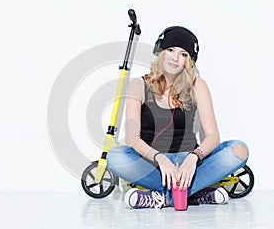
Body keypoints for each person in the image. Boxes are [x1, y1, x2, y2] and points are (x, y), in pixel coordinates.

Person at [106, 26, 249, 209]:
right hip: (153, 164)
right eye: (170, 50)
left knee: (239, 150)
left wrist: (193, 158)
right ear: (161, 53)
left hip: (190, 164)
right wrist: (160, 158)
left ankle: (162, 198)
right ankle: (194, 194)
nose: (175, 58)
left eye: (183, 54)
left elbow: (213, 136)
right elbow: (132, 138)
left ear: (188, 61)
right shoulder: (138, 84)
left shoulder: (198, 86)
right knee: (115, 157)